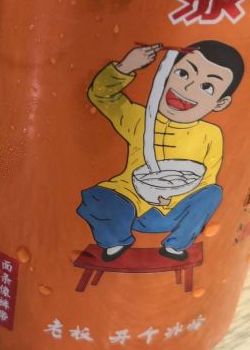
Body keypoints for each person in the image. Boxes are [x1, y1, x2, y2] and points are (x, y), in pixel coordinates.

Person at [77, 40, 244, 261]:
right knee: (96, 197)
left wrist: (171, 198)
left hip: (173, 213)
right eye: (183, 73)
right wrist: (126, 67)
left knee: (213, 193)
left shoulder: (210, 134)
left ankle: (177, 244)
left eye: (207, 87)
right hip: (129, 205)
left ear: (220, 103)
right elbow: (101, 96)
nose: (187, 88)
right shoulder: (140, 118)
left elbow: (206, 180)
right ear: (166, 74)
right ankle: (115, 240)